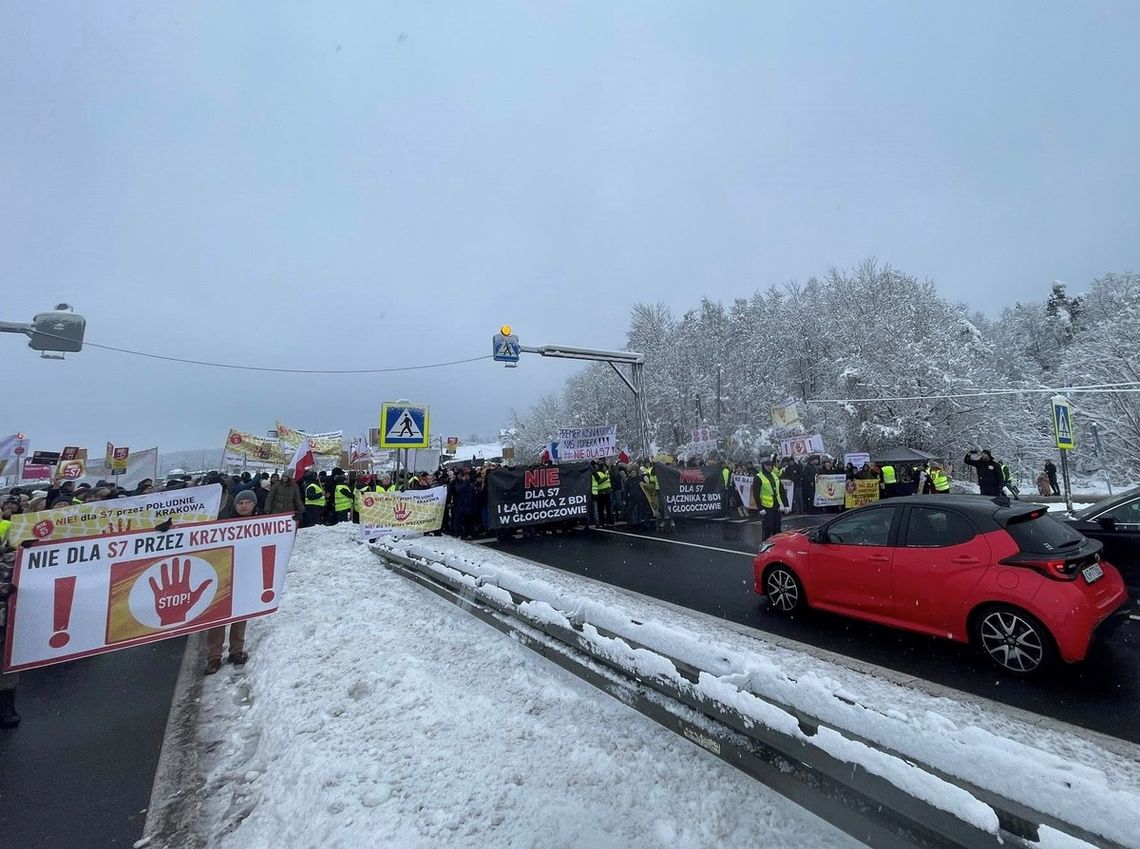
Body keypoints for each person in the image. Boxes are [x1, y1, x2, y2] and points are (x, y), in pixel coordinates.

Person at [204, 490, 258, 674]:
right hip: (222, 574)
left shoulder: (261, 523)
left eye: (247, 502)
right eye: (240, 503)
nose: (244, 506)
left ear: (253, 504)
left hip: (246, 574)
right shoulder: (221, 522)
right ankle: (214, 656)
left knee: (241, 614)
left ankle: (236, 650)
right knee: (218, 617)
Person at [753, 458, 788, 541]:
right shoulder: (758, 477)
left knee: (777, 527)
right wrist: (760, 508)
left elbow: (781, 490)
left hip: (776, 506)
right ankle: (766, 545)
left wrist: (786, 505)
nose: (769, 467)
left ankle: (777, 545)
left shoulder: (774, 475)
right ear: (763, 466)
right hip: (766, 507)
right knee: (767, 528)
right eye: (767, 465)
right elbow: (756, 494)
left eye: (771, 465)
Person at [592, 460, 614, 527]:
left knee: (608, 508)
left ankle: (609, 520)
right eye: (604, 467)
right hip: (601, 493)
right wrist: (605, 478)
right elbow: (598, 481)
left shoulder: (606, 472)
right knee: (601, 509)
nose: (605, 468)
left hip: (607, 492)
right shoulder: (598, 473)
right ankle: (602, 521)